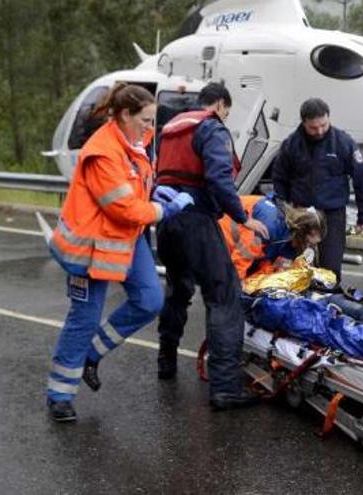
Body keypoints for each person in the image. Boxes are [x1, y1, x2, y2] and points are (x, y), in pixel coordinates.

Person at [45, 83, 192, 422]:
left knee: (150, 300)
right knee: (83, 319)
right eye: (145, 120)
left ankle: (91, 354)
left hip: (126, 239)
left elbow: (138, 186)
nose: (150, 128)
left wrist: (158, 192)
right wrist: (163, 210)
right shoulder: (102, 152)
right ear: (124, 114)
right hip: (92, 248)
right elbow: (125, 207)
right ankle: (59, 396)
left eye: (153, 121)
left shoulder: (135, 143)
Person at [154, 82, 269, 410]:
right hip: (196, 221)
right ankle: (225, 388)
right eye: (227, 113)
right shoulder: (211, 128)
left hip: (167, 220)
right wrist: (241, 217)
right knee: (224, 296)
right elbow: (219, 178)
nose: (225, 118)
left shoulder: (171, 129)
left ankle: (166, 361)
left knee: (178, 289)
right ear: (219, 105)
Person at [271, 98, 363, 280]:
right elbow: (279, 179)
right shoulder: (291, 145)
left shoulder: (343, 142)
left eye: (323, 125)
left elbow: (361, 180)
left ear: (328, 118)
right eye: (313, 128)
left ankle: (330, 304)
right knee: (298, 268)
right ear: (304, 123)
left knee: (330, 269)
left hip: (332, 214)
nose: (319, 131)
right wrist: (285, 211)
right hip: (301, 214)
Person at [218, 195, 325, 280]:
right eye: (308, 242)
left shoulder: (288, 237)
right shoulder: (270, 225)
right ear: (300, 232)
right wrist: (238, 288)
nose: (308, 248)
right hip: (222, 233)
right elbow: (241, 258)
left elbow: (269, 263)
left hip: (239, 245)